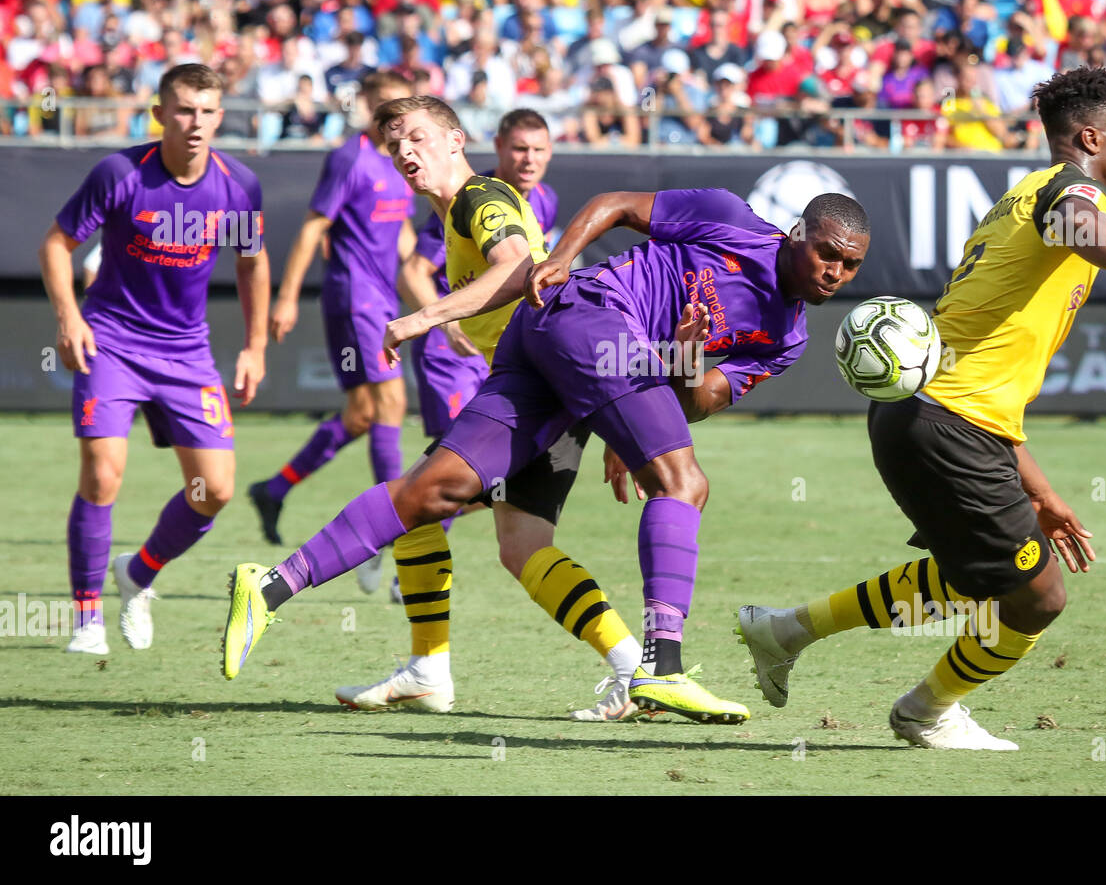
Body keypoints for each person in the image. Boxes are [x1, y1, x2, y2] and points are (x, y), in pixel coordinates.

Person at [221, 95, 872, 726]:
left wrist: (681, 363)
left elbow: (695, 402)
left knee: (437, 493)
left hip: (550, 349)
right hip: (591, 315)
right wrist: (557, 261)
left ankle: (270, 585)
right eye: (826, 253)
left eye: (849, 265)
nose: (835, 272)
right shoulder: (729, 215)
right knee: (683, 483)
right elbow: (615, 204)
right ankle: (659, 666)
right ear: (796, 234)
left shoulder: (785, 340)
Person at [738, 65, 1106, 750]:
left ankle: (786, 630)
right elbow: (1082, 225)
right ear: (1089, 136)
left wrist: (1039, 491)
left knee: (972, 579)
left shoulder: (1019, 199)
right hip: (945, 423)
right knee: (1038, 597)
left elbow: (985, 376)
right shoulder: (1071, 194)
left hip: (933, 416)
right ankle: (926, 711)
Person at [232, 96, 643, 721]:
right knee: (520, 545)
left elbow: (517, 268)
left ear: (455, 140)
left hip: (536, 386)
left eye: (418, 137)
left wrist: (423, 317)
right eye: (395, 145)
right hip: (555, 387)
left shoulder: (481, 197)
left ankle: (272, 585)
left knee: (415, 498)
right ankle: (629, 670)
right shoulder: (454, 215)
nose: (406, 153)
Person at [39, 63, 269, 655]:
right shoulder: (120, 172)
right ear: (161, 113)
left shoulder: (238, 186)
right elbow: (57, 245)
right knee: (102, 473)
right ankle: (87, 617)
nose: (195, 123)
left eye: (207, 111)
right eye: (184, 110)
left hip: (187, 353)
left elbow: (250, 262)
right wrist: (69, 317)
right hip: (110, 342)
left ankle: (138, 573)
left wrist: (255, 343)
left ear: (220, 117)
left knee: (213, 490)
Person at [247, 71, 417, 594]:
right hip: (353, 300)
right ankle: (391, 535)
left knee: (363, 415)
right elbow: (312, 229)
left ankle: (274, 489)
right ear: (365, 106)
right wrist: (288, 295)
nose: (392, 118)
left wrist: (442, 306)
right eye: (383, 107)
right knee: (391, 404)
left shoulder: (400, 165)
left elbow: (405, 245)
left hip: (382, 301)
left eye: (400, 109)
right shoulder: (351, 159)